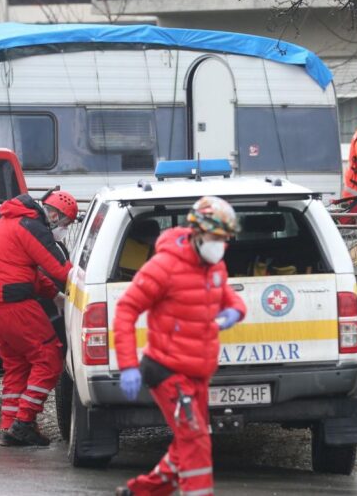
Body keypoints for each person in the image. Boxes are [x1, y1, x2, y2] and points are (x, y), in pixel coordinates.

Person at [113, 196, 247, 496]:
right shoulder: (163, 267)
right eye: (215, 238)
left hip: (198, 373)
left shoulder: (214, 267)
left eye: (224, 239)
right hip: (167, 371)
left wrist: (235, 311)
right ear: (197, 233)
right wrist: (128, 366)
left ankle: (142, 492)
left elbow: (230, 297)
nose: (220, 245)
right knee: (196, 441)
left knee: (188, 441)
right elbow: (126, 311)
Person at [0, 190, 78, 447]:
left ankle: (10, 424)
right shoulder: (32, 226)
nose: (63, 229)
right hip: (13, 304)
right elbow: (61, 270)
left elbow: (25, 270)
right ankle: (24, 423)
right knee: (49, 359)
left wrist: (53, 295)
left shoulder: (8, 221)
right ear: (54, 215)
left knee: (17, 364)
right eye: (64, 224)